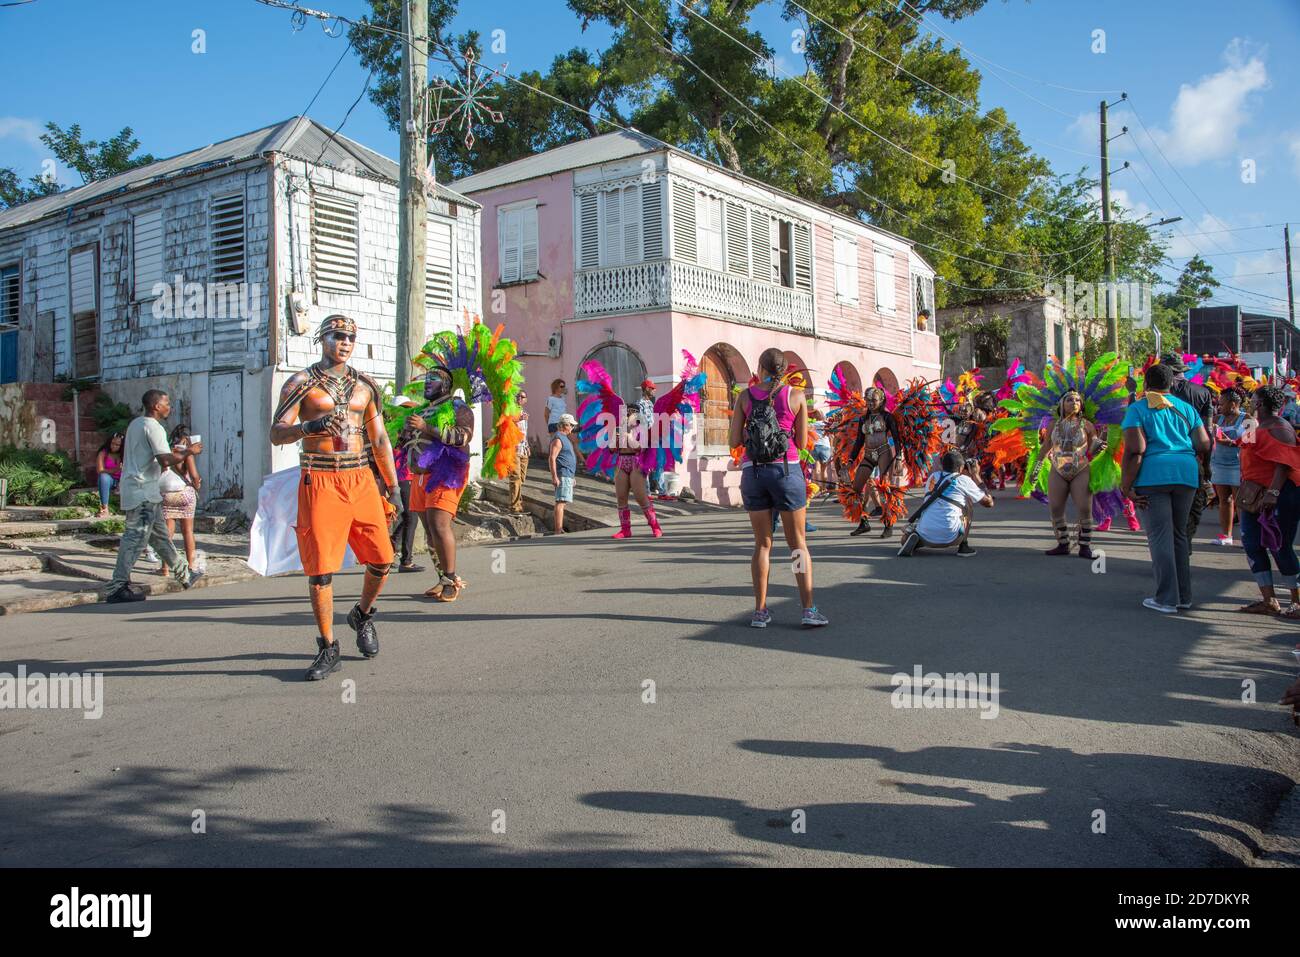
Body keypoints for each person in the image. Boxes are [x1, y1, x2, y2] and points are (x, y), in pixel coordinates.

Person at [270, 314, 401, 680]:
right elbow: (276, 433)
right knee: (321, 569)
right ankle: (328, 647)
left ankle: (362, 614)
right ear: (322, 339)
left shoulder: (365, 386)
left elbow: (378, 440)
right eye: (338, 336)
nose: (345, 342)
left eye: (350, 338)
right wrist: (307, 427)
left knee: (382, 559)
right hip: (321, 479)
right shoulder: (301, 383)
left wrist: (393, 488)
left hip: (360, 480)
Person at [729, 347, 827, 628]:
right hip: (787, 472)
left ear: (760, 368)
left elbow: (734, 440)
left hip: (754, 473)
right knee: (798, 544)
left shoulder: (745, 397)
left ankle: (760, 611)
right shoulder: (796, 396)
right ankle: (808, 609)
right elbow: (802, 441)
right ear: (785, 371)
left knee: (762, 545)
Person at [1121, 362, 1211, 614]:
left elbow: (1135, 451)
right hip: (1186, 474)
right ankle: (1183, 596)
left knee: (1160, 536)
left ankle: (1166, 599)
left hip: (1154, 476)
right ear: (1172, 383)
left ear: (1146, 384)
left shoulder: (1138, 410)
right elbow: (1203, 443)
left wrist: (1125, 486)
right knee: (1179, 535)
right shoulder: (1187, 408)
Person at [104, 391, 204, 604]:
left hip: (143, 490)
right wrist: (189, 452)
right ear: (156, 406)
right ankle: (117, 586)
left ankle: (185, 574)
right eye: (167, 403)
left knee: (160, 537)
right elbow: (165, 459)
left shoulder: (135, 424)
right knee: (135, 539)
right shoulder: (154, 427)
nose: (170, 407)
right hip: (143, 492)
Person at [408, 372, 475, 602]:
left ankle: (451, 580)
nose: (427, 382)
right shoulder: (422, 409)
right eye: (427, 378)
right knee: (429, 531)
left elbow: (463, 437)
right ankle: (441, 577)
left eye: (434, 378)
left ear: (446, 384)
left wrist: (426, 427)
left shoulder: (457, 406)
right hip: (419, 477)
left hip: (446, 473)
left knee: (439, 525)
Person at [1235, 385, 1300, 617]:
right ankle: (1268, 600)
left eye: (1253, 399)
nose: (1250, 402)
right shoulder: (1255, 424)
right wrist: (1248, 420)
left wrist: (1273, 492)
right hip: (1253, 495)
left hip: (1279, 495)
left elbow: (1285, 463)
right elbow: (1245, 444)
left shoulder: (1280, 427)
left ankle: (1297, 600)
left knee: (1281, 546)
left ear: (1260, 403)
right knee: (1253, 544)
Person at [1041, 390, 1107, 560]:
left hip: (1081, 469)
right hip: (1058, 468)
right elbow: (1046, 446)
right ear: (1061, 404)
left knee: (1085, 508)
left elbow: (1093, 448)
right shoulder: (1053, 425)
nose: (1074, 402)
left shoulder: (1087, 425)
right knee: (1055, 508)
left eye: (1078, 400)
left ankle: (1085, 547)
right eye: (1070, 400)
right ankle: (1063, 544)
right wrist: (1035, 469)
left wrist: (1100, 445)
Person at [897, 451, 993, 557]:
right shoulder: (964, 480)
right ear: (961, 467)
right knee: (968, 501)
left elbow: (951, 477)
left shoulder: (933, 477)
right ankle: (963, 546)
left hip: (926, 535)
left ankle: (913, 537)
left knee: (907, 538)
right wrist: (975, 475)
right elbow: (989, 503)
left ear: (942, 465)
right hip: (952, 537)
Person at [1162, 354, 1214, 546]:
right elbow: (1208, 434)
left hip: (1162, 460)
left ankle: (1170, 550)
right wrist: (1207, 465)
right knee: (1191, 509)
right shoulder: (1203, 393)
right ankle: (1184, 545)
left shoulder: (1159, 396)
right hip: (1192, 460)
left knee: (1164, 512)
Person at [844, 387, 901, 538]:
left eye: (873, 400)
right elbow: (859, 442)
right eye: (868, 400)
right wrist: (851, 459)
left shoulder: (888, 417)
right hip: (868, 454)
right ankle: (864, 522)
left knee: (884, 488)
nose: (870, 403)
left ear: (881, 400)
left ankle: (888, 524)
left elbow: (896, 438)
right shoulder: (864, 419)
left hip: (884, 452)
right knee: (855, 489)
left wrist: (899, 458)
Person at [1209, 386, 1253, 547]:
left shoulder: (1248, 418)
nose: (1219, 406)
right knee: (1224, 500)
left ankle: (1246, 536)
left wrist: (1231, 442)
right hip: (1219, 464)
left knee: (1240, 501)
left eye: (1223, 403)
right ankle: (1226, 536)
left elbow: (1252, 444)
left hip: (1239, 465)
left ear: (1234, 404)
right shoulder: (1217, 419)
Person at [158, 423, 202, 577]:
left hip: (167, 494)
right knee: (188, 531)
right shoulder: (186, 453)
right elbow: (194, 475)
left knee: (167, 533)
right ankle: (191, 565)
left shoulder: (167, 453)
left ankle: (165, 569)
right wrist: (197, 486)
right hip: (185, 494)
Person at [389, 423, 426, 574]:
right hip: (405, 478)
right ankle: (406, 561)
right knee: (411, 518)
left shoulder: (401, 434)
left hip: (408, 478)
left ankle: (389, 548)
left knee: (407, 518)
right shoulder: (402, 435)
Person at [548, 413, 578, 533]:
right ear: (565, 425)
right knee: (560, 502)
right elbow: (552, 458)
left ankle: (559, 528)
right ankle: (558, 529)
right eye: (571, 425)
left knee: (562, 502)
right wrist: (554, 476)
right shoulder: (558, 438)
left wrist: (572, 476)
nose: (572, 427)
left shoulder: (564, 438)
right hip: (563, 474)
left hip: (567, 474)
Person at [638, 379, 665, 496]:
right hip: (645, 438)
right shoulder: (640, 404)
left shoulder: (650, 404)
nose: (654, 390)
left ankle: (661, 488)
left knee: (660, 461)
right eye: (653, 388)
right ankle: (646, 490)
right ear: (647, 389)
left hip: (654, 437)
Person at [508, 388, 530, 513]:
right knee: (515, 477)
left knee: (521, 478)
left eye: (522, 397)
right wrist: (518, 419)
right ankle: (515, 507)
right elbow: (506, 422)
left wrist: (528, 445)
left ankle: (518, 503)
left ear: (525, 400)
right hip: (513, 448)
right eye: (518, 396)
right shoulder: (511, 411)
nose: (520, 398)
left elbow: (524, 433)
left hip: (523, 448)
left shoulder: (524, 413)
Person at [95, 432, 124, 517]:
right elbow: (100, 470)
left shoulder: (124, 454)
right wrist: (116, 470)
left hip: (123, 480)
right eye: (112, 443)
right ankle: (105, 509)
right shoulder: (103, 453)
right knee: (103, 477)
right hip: (109, 480)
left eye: (117, 445)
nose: (114, 446)